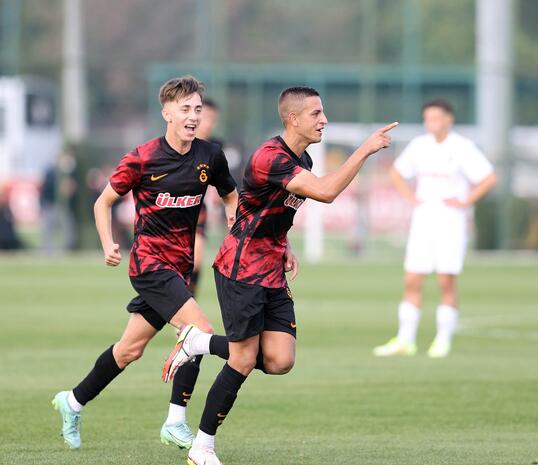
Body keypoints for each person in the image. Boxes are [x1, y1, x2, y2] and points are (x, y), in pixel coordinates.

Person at [162, 86, 398, 465]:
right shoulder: (270, 157)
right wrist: (365, 150)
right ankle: (202, 448)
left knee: (280, 360)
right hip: (241, 270)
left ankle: (198, 343)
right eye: (316, 114)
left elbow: (266, 209)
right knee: (242, 360)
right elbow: (325, 192)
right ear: (292, 118)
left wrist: (283, 243)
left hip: (271, 269)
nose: (324, 120)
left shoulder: (302, 157)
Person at [52, 76, 239, 451]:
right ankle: (175, 421)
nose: (193, 116)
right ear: (166, 112)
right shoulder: (143, 157)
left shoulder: (210, 156)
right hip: (149, 265)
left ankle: (72, 401)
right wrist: (108, 243)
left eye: (197, 110)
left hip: (179, 269)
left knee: (129, 350)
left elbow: (231, 194)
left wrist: (234, 224)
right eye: (185, 109)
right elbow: (103, 202)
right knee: (198, 331)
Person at [373, 99, 497, 358]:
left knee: (445, 281)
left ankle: (443, 340)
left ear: (449, 119)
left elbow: (489, 178)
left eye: (436, 118)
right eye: (427, 118)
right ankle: (405, 339)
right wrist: (410, 197)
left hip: (451, 222)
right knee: (412, 279)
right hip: (423, 220)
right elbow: (396, 172)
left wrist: (466, 201)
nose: (431, 123)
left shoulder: (462, 147)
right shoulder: (420, 145)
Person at [190, 98, 222, 295]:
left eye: (213, 119)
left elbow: (223, 178)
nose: (209, 123)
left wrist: (220, 192)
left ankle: (188, 304)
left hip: (198, 209)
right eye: (206, 117)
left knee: (196, 259)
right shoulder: (183, 142)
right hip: (173, 208)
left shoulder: (216, 147)